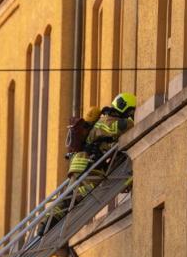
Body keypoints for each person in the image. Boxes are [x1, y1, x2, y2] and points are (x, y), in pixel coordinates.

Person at [37, 93, 137, 236]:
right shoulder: (109, 121)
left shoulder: (100, 122)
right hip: (89, 166)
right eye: (131, 112)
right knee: (78, 195)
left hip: (80, 163)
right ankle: (48, 225)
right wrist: (133, 120)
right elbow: (124, 126)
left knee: (69, 196)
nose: (131, 116)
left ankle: (46, 224)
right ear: (125, 108)